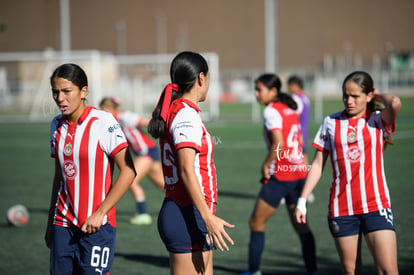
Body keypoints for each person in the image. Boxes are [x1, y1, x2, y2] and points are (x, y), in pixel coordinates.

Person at [295, 71, 401, 275]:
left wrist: (376, 97)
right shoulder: (330, 122)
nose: (349, 101)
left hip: (376, 204)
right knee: (351, 271)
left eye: (355, 96)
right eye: (346, 95)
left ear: (368, 96)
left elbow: (395, 103)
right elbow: (317, 165)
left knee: (388, 270)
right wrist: (302, 200)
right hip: (342, 208)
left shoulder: (377, 120)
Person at [44, 63, 136, 275]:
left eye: (67, 91)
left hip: (97, 226)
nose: (60, 98)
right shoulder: (56, 125)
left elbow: (129, 171)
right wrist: (50, 223)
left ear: (83, 91)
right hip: (62, 224)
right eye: (55, 92)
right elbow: (59, 177)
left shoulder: (104, 122)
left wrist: (100, 212)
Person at [148, 51, 234, 275]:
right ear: (201, 78)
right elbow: (187, 169)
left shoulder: (177, 111)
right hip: (188, 215)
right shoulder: (185, 115)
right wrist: (208, 217)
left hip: (186, 213)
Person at [242, 73, 318, 275]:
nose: (256, 94)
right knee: (301, 226)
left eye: (260, 90)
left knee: (256, 222)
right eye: (255, 89)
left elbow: (279, 143)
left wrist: (267, 163)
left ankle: (254, 271)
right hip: (298, 173)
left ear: (273, 91)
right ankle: (313, 271)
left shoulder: (271, 111)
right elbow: (299, 142)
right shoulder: (289, 108)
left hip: (281, 176)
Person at [100, 97, 164, 225]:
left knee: (131, 179)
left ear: (111, 109)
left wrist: (164, 134)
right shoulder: (112, 121)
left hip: (147, 152)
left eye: (104, 110)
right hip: (147, 152)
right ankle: (190, 203)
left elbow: (146, 122)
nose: (103, 113)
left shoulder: (124, 117)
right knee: (163, 185)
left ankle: (143, 214)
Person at [287, 75, 315, 203]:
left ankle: (297, 191)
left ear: (296, 86)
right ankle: (307, 191)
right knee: (303, 162)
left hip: (296, 136)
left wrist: (297, 136)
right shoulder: (305, 98)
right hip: (303, 134)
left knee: (292, 164)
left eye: (290, 85)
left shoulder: (295, 99)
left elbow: (292, 118)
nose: (288, 88)